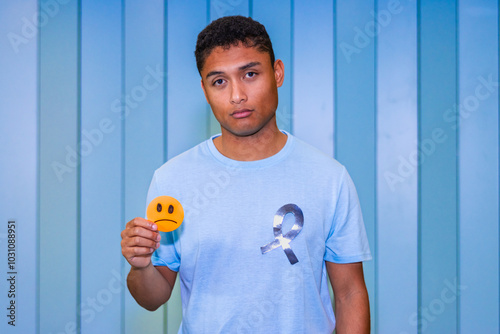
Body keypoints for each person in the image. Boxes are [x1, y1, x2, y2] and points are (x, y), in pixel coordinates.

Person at [121, 15, 371, 333]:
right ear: (204, 89)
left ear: (277, 73)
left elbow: (350, 294)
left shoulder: (329, 178)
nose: (237, 95)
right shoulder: (172, 180)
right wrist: (140, 266)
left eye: (250, 74)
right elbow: (153, 297)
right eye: (219, 81)